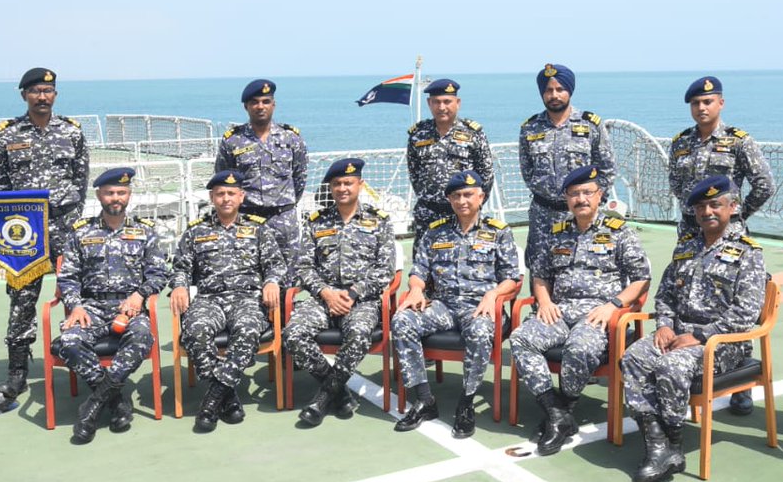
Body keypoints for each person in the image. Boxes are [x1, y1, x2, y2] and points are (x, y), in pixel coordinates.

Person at [619, 175, 766, 482]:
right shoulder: (686, 247)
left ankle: (674, 441)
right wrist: (663, 325)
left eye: (715, 205)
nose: (707, 212)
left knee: (671, 366)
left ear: (732, 207)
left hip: (723, 342)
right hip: (678, 334)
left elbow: (746, 312)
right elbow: (665, 295)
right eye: (701, 207)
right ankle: (658, 444)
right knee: (633, 356)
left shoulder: (748, 253)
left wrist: (699, 336)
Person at [510, 165, 650, 455]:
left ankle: (565, 405)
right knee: (521, 339)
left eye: (587, 192)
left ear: (600, 195)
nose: (581, 199)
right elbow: (540, 276)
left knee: (580, 348)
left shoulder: (619, 233)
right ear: (567, 198)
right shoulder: (555, 233)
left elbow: (641, 279)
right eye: (574, 194)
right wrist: (544, 301)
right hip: (558, 311)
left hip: (598, 314)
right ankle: (555, 412)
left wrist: (614, 305)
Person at [667, 75, 775, 416]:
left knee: (733, 300)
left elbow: (764, 184)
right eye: (696, 103)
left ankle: (739, 382)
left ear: (720, 103)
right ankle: (686, 361)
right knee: (688, 294)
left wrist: (736, 213)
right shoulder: (680, 143)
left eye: (708, 101)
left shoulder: (738, 142)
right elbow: (677, 186)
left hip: (728, 233)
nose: (702, 107)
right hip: (690, 233)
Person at [0, 67, 89, 400]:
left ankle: (84, 352)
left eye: (47, 91)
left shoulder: (71, 132)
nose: (42, 97)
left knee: (79, 290)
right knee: (22, 298)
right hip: (23, 230)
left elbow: (81, 180)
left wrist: (71, 217)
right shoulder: (6, 135)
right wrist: (12, 226)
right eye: (35, 91)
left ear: (55, 94)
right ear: (24, 95)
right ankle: (17, 370)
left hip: (64, 226)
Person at [392, 170, 521, 438]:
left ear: (481, 197)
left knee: (481, 331)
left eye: (468, 195)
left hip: (480, 306)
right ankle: (424, 400)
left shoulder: (499, 232)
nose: (462, 201)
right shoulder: (435, 232)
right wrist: (415, 289)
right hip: (443, 305)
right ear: (449, 200)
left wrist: (493, 295)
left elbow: (512, 278)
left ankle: (466, 402)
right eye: (456, 196)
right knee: (402, 320)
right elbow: (419, 270)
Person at [55, 168, 168, 443]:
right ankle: (116, 399)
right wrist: (75, 306)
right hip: (90, 306)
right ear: (99, 195)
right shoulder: (81, 232)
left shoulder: (145, 231)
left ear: (129, 195)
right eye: (109, 193)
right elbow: (67, 277)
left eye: (121, 192)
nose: (115, 197)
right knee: (68, 342)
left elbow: (158, 273)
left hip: (129, 307)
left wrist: (140, 295)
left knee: (142, 337)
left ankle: (93, 406)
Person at [170, 170, 287, 433]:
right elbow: (180, 268)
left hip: (247, 299)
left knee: (248, 329)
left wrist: (271, 282)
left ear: (241, 196)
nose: (226, 198)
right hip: (209, 299)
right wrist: (179, 286)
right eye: (220, 194)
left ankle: (212, 400)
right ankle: (228, 396)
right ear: (212, 198)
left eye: (231, 193)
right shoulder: (196, 231)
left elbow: (276, 265)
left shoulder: (257, 229)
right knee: (195, 330)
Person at [285, 158, 397, 426]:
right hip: (323, 298)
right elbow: (304, 267)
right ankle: (340, 393)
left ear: (360, 185)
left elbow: (385, 269)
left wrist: (354, 293)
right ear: (331, 188)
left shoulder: (379, 221)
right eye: (337, 184)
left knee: (359, 333)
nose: (343, 188)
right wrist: (326, 293)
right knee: (292, 334)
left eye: (348, 183)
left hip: (361, 300)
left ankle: (324, 398)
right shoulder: (316, 222)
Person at [519, 64, 616, 266]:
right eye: (548, 90)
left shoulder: (590, 124)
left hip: (579, 214)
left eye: (560, 89)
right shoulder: (530, 127)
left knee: (583, 267)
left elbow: (606, 168)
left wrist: (592, 202)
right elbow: (527, 171)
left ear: (569, 91)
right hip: (542, 217)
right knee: (539, 267)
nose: (554, 95)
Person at [215, 79, 309, 284]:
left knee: (288, 278)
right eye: (255, 102)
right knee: (247, 274)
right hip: (247, 219)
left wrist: (285, 203)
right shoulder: (233, 141)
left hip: (282, 219)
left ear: (273, 105)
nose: (260, 106)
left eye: (266, 101)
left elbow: (300, 177)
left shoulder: (291, 138)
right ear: (246, 106)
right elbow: (224, 180)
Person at [406, 78, 495, 248]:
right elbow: (414, 174)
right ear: (429, 103)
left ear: (457, 103)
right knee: (425, 260)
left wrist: (471, 205)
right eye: (436, 102)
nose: (441, 107)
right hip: (428, 214)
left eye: (447, 101)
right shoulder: (418, 134)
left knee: (465, 259)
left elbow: (486, 174)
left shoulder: (473, 133)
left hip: (463, 214)